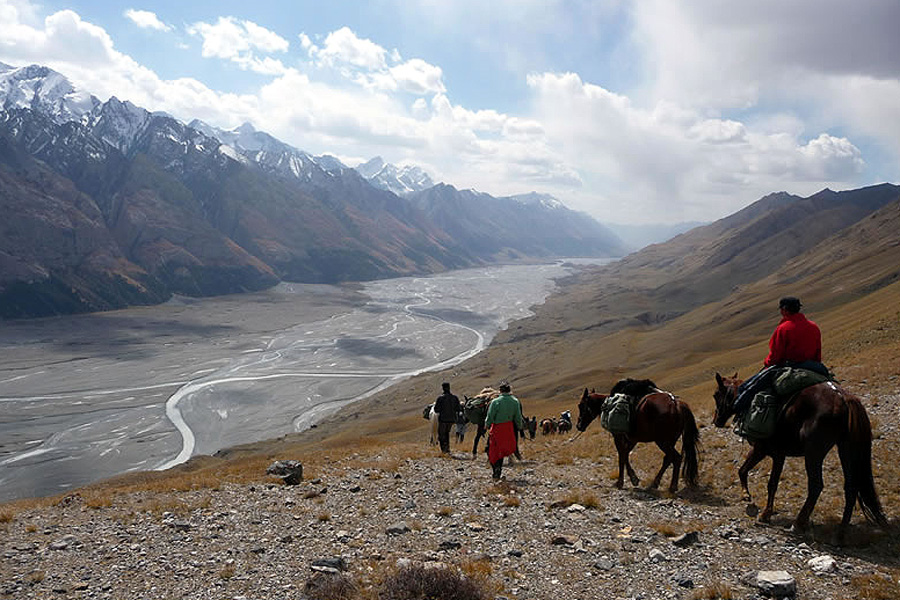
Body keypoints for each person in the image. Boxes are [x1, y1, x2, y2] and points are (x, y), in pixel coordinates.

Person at [732, 297, 824, 414]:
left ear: (784, 310)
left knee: (745, 388)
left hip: (789, 366)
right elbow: (817, 352)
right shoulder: (813, 326)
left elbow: (775, 357)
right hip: (813, 366)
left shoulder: (783, 329)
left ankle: (738, 412)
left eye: (781, 309)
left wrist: (767, 364)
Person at [484, 381, 525, 479]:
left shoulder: (495, 402)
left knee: (493, 449)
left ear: (500, 391)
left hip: (497, 428)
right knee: (502, 449)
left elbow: (490, 416)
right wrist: (519, 427)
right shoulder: (515, 401)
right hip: (509, 428)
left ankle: (496, 470)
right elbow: (518, 417)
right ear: (510, 390)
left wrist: (487, 425)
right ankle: (498, 470)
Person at [433, 382, 460, 453]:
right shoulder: (455, 398)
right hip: (452, 419)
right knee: (447, 433)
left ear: (443, 388)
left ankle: (444, 450)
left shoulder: (440, 398)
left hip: (443, 419)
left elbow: (436, 410)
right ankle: (447, 448)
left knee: (441, 434)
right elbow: (458, 408)